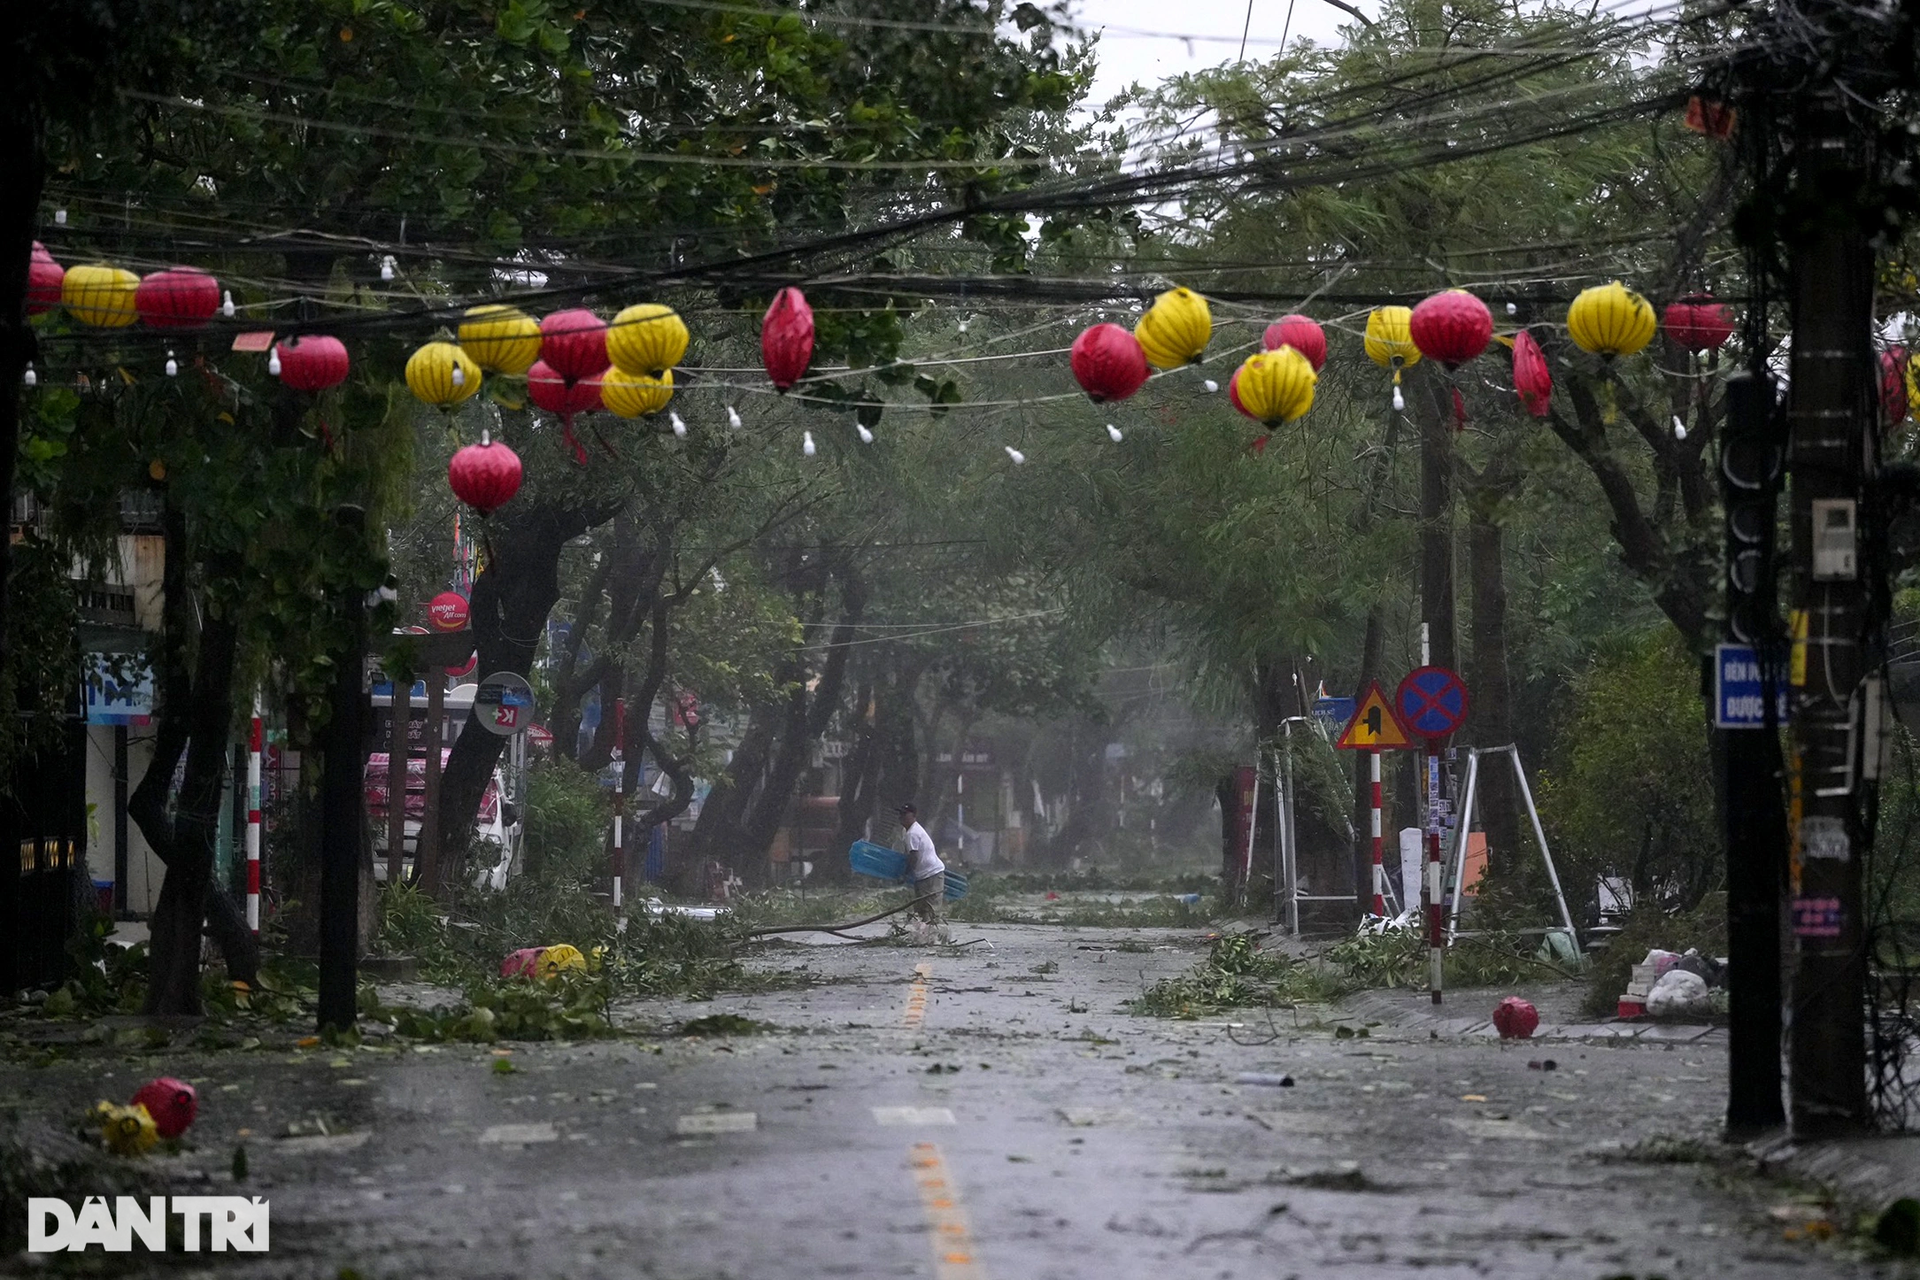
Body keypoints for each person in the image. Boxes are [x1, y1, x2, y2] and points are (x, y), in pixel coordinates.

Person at [897, 803, 945, 928]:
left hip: (931, 874)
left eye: (905, 814)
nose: (901, 817)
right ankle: (923, 936)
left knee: (931, 909)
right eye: (900, 814)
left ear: (913, 816)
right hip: (922, 875)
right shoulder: (907, 831)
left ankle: (933, 936)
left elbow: (914, 857)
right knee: (921, 909)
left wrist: (905, 875)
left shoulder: (913, 833)